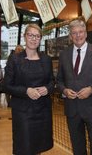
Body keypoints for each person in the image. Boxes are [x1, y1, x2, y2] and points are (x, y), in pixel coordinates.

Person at [57, 19, 92, 155]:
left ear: (86, 33)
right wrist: (64, 90)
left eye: (80, 32)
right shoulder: (64, 54)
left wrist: (91, 89)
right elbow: (59, 80)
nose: (78, 36)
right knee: (77, 147)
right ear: (70, 36)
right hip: (72, 110)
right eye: (74, 33)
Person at [4, 24, 54, 155]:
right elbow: (6, 85)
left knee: (39, 146)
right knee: (25, 147)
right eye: (30, 35)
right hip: (23, 112)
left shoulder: (46, 59)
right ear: (24, 37)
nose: (33, 39)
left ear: (40, 39)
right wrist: (26, 91)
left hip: (42, 111)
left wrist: (47, 89)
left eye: (37, 36)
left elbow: (52, 82)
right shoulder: (15, 59)